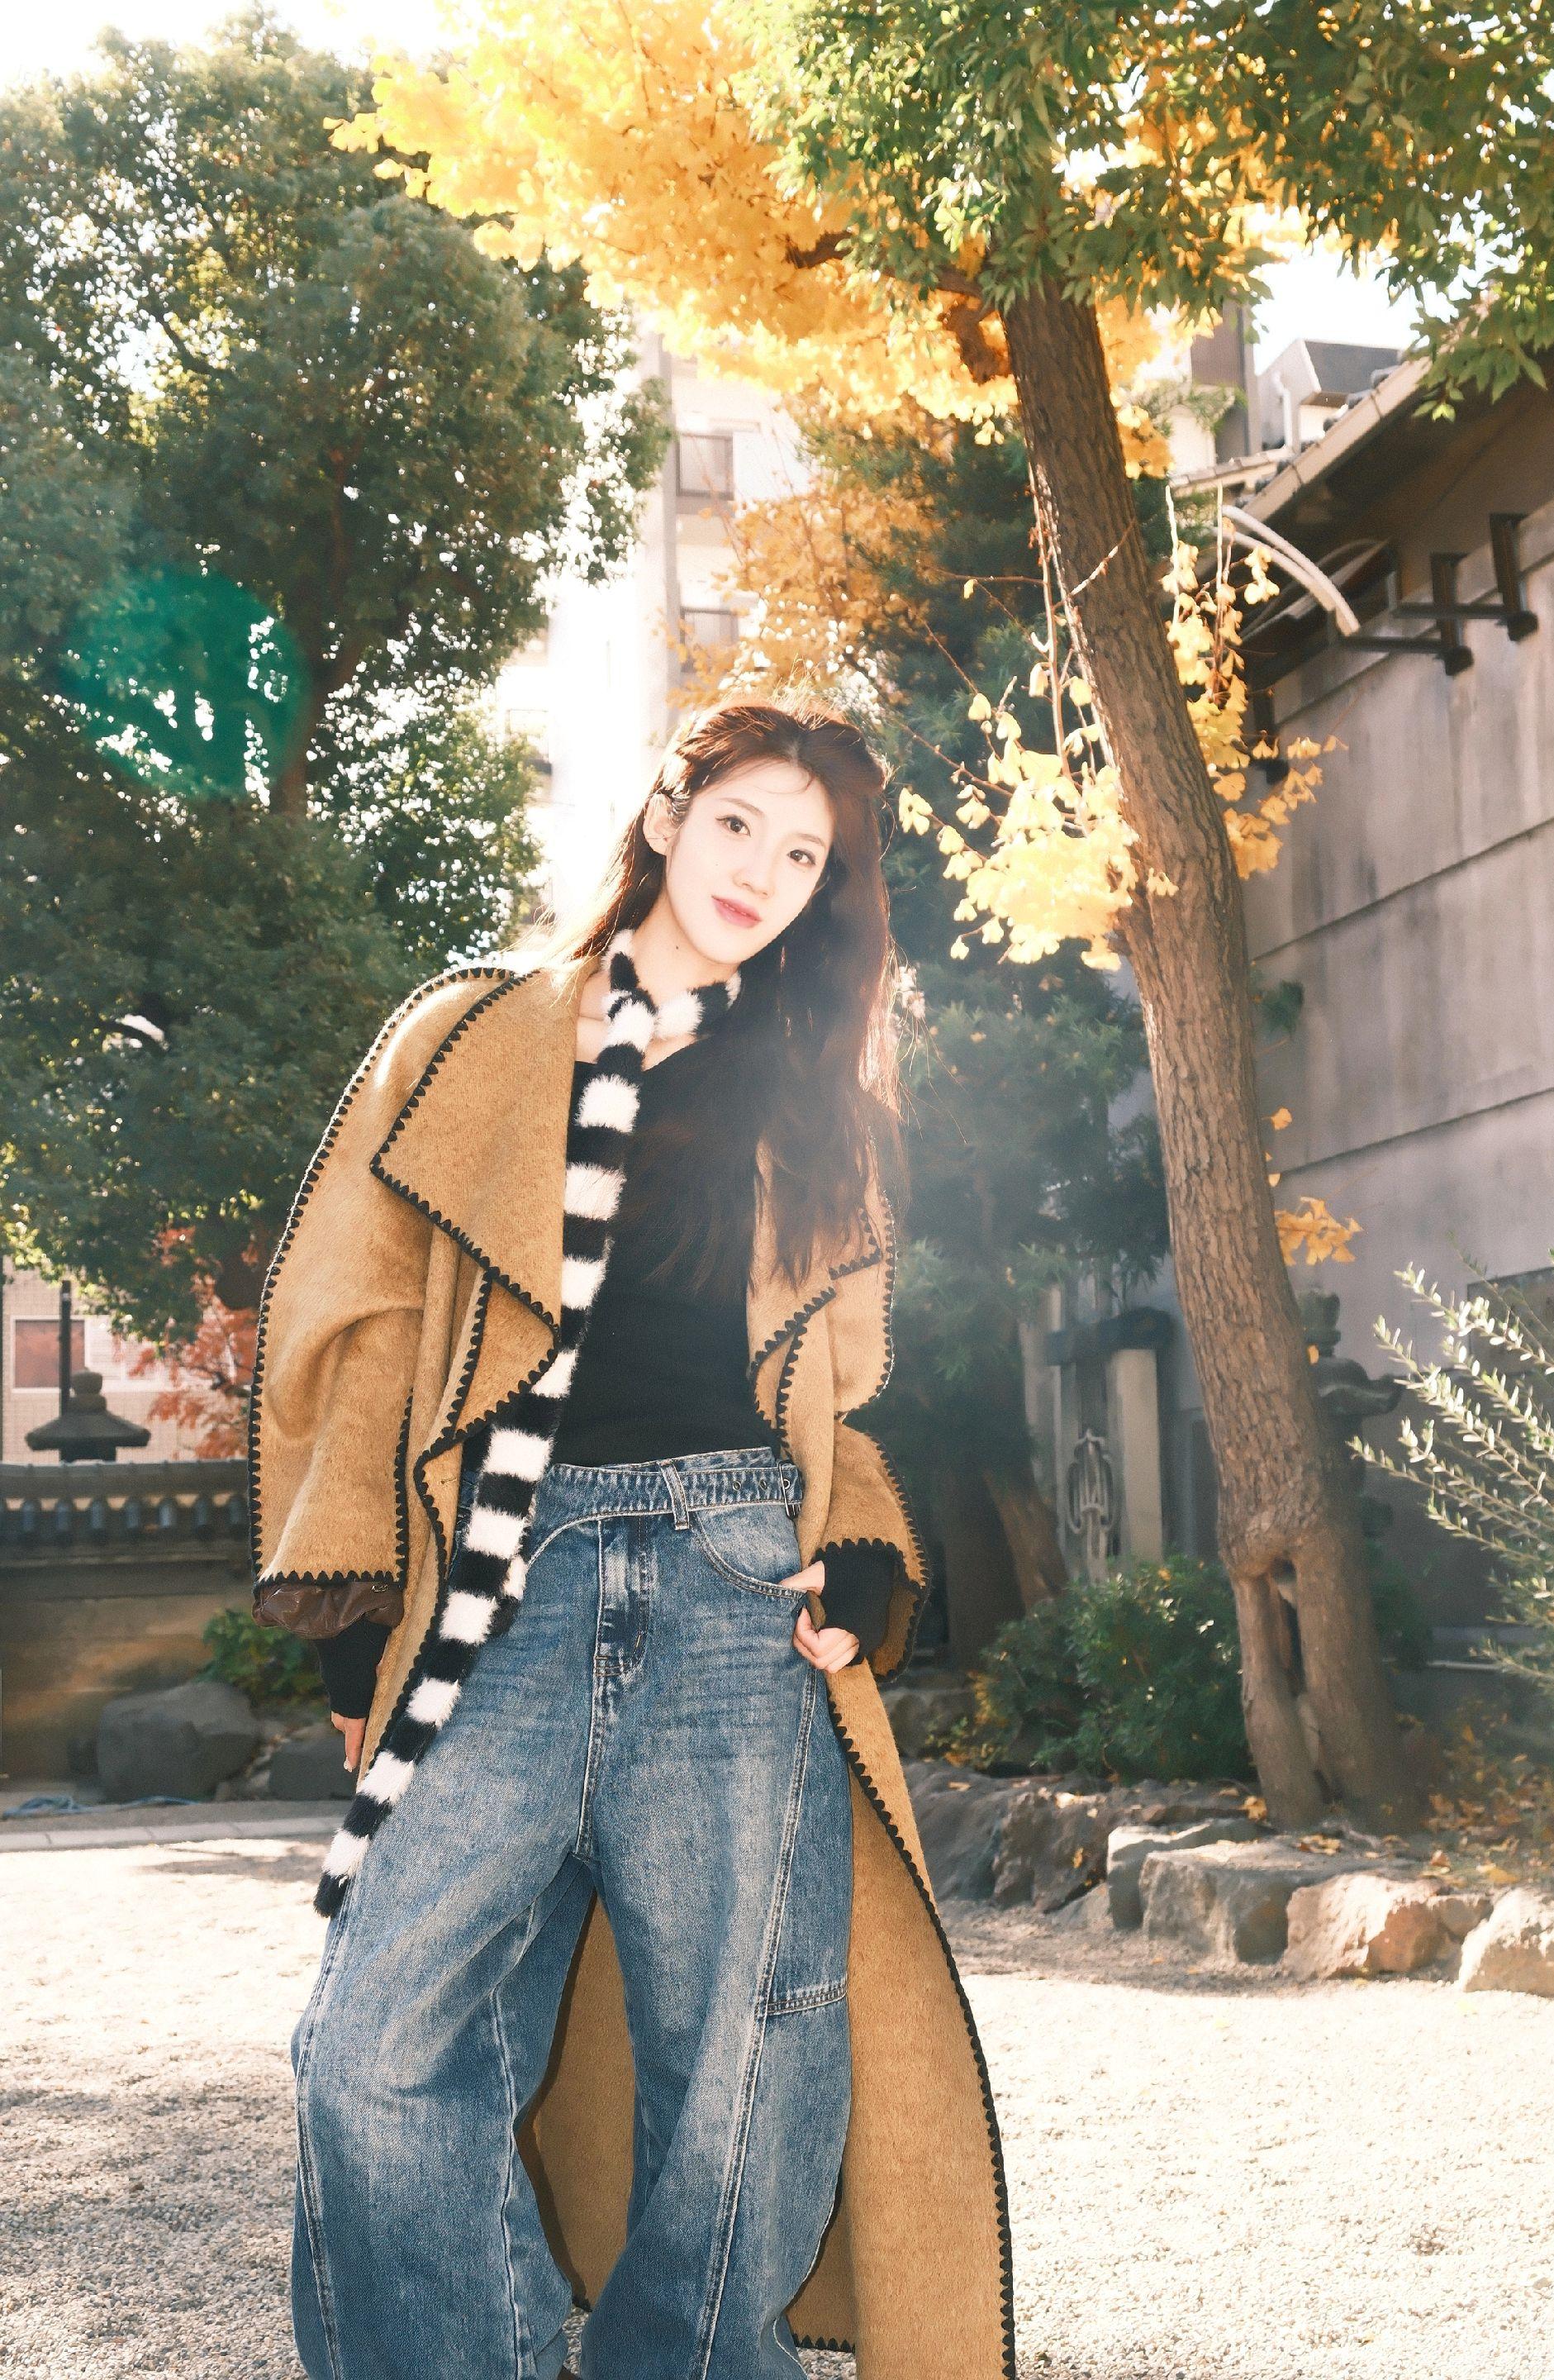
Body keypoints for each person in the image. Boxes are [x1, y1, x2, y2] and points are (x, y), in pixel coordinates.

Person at [247, 695, 1015, 2380]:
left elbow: (838, 1398)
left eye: (804, 855)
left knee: (744, 2063)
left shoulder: (814, 1099)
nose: (763, 872)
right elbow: (362, 1333)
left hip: (737, 1578)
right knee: (368, 2047)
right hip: (497, 1585)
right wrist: (348, 1624)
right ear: (666, 817)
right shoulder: (471, 1039)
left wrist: (864, 1554)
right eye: (739, 823)